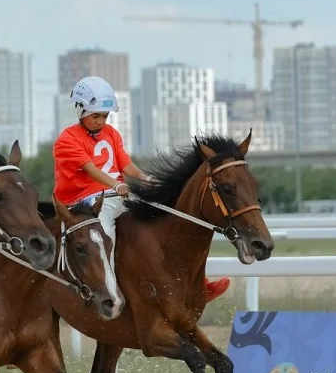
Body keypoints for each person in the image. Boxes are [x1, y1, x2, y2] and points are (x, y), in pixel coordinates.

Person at [53, 76, 230, 302]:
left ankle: (198, 286)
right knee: (103, 234)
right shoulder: (67, 140)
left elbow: (124, 164)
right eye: (95, 115)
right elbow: (90, 169)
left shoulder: (112, 134)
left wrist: (145, 178)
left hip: (114, 194)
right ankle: (107, 290)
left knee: (165, 221)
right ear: (80, 110)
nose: (101, 121)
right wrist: (116, 185)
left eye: (105, 116)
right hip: (84, 202)